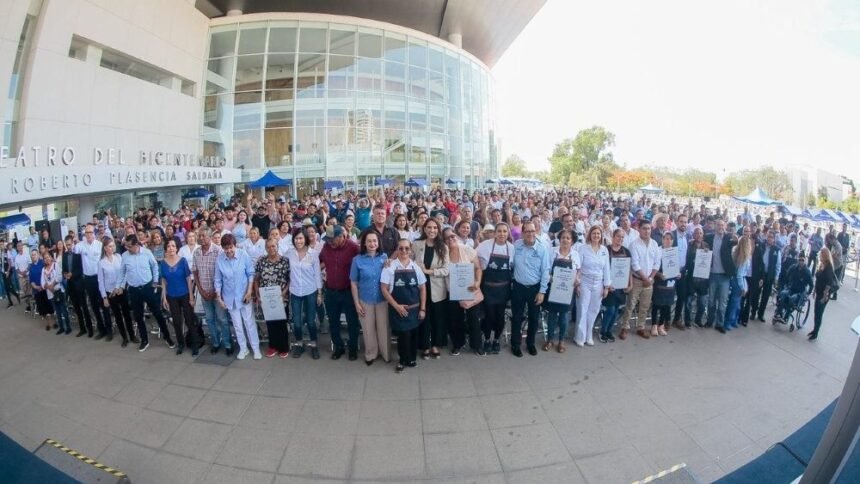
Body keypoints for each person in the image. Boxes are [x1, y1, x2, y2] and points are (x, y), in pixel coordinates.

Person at [118, 234, 174, 352]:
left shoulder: (147, 252)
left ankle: (167, 337)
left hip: (147, 287)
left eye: (130, 246)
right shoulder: (125, 256)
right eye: (126, 246)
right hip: (133, 290)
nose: (127, 248)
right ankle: (144, 340)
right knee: (138, 316)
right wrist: (120, 286)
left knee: (157, 313)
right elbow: (122, 273)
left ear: (136, 244)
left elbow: (154, 266)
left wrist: (155, 280)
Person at [380, 238, 427, 373]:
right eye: (401, 248)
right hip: (398, 309)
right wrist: (396, 306)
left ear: (411, 250)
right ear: (397, 250)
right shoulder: (390, 267)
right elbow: (384, 289)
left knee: (413, 335)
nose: (404, 251)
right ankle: (402, 360)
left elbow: (423, 288)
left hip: (414, 310)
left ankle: (411, 359)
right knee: (403, 336)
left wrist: (423, 308)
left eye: (407, 248)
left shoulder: (415, 267)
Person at [319, 225, 362, 361]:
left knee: (352, 322)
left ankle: (353, 348)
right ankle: (338, 347)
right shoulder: (326, 247)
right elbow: (319, 261)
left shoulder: (353, 247)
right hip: (331, 291)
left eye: (332, 239)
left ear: (341, 236)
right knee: (333, 321)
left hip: (348, 292)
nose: (329, 242)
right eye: (328, 239)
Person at [215, 234, 260, 360]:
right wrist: (219, 298)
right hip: (229, 297)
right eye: (226, 248)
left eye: (230, 247)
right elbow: (218, 280)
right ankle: (243, 349)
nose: (228, 251)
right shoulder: (220, 259)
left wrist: (249, 291)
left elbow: (250, 273)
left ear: (235, 245)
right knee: (237, 325)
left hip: (244, 295)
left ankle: (255, 348)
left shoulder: (243, 255)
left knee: (249, 322)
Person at [510, 221, 551, 357]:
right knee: (517, 317)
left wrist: (542, 291)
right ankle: (515, 344)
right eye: (527, 231)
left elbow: (546, 271)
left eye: (532, 231)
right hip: (518, 287)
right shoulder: (516, 246)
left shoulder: (542, 249)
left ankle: (530, 343)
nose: (530, 234)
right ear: (522, 233)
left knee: (534, 318)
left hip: (535, 289)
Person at [350, 231, 390, 364]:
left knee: (383, 328)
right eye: (369, 241)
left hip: (382, 300)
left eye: (375, 241)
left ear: (378, 243)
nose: (372, 244)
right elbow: (354, 283)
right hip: (365, 300)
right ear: (364, 243)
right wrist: (357, 303)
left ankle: (385, 354)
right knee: (368, 329)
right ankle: (371, 354)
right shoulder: (357, 260)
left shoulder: (384, 258)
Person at [412, 219, 449, 359]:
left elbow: (446, 270)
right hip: (420, 287)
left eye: (435, 228)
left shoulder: (443, 247)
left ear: (438, 230)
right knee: (423, 317)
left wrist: (428, 271)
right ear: (424, 229)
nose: (432, 230)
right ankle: (424, 346)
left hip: (437, 288)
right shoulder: (416, 244)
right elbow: (409, 262)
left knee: (437, 318)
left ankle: (435, 344)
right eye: (429, 227)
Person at [443, 227, 482, 355]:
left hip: (469, 290)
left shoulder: (466, 249)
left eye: (452, 236)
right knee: (455, 319)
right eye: (447, 237)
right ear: (443, 240)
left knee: (473, 318)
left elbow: (478, 268)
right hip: (452, 292)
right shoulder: (442, 253)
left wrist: (477, 282)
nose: (451, 239)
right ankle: (458, 344)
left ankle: (476, 345)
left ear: (457, 236)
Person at [193, 228, 233, 356]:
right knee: (210, 319)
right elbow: (195, 272)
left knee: (222, 319)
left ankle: (227, 343)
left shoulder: (218, 251)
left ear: (210, 236)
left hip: (218, 293)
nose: (201, 238)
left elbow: (223, 272)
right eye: (199, 236)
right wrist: (201, 291)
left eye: (204, 236)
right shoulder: (196, 252)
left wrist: (217, 292)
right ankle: (216, 343)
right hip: (204, 293)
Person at [477, 223, 514, 354]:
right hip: (488, 289)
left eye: (505, 231)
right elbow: (477, 264)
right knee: (488, 316)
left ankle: (496, 340)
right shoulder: (484, 246)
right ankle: (487, 339)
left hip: (503, 290)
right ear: (495, 232)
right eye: (499, 231)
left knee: (500, 317)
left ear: (508, 233)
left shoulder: (511, 248)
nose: (502, 234)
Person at [286, 230, 322, 359]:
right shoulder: (290, 253)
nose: (298, 241)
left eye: (301, 238)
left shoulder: (313, 254)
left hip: (310, 290)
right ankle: (299, 343)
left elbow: (317, 274)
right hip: (295, 291)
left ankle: (313, 344)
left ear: (305, 239)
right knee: (296, 321)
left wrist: (319, 292)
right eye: (296, 239)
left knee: (311, 320)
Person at [543, 229, 581, 352]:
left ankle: (561, 341)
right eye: (563, 237)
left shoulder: (575, 254)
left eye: (568, 238)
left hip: (568, 290)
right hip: (553, 288)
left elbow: (578, 271)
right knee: (552, 316)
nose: (565, 240)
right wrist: (551, 278)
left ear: (572, 241)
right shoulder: (552, 252)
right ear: (559, 239)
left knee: (564, 317)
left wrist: (577, 280)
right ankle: (549, 340)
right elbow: (546, 269)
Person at [622, 219, 660, 340]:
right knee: (631, 304)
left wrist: (650, 278)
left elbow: (657, 263)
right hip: (637, 279)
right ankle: (625, 327)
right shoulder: (634, 244)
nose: (646, 231)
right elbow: (635, 264)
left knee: (645, 305)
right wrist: (645, 278)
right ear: (638, 229)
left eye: (648, 228)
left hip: (650, 280)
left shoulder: (654, 244)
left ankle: (640, 327)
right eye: (644, 228)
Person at [160, 240, 199, 356]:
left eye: (173, 246)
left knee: (189, 320)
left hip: (185, 294)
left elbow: (188, 278)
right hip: (171, 296)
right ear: (166, 248)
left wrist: (191, 296)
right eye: (168, 246)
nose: (171, 248)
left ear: (177, 248)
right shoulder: (162, 263)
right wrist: (164, 297)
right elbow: (163, 281)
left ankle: (194, 345)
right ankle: (181, 344)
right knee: (176, 321)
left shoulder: (182, 261)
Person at [98, 238, 138, 347]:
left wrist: (121, 286)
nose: (112, 248)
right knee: (117, 316)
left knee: (126, 314)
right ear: (105, 248)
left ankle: (132, 335)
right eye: (110, 246)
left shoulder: (119, 257)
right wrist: (104, 297)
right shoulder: (101, 262)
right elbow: (101, 281)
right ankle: (124, 338)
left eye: (113, 245)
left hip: (121, 290)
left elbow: (125, 273)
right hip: (111, 293)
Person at [575, 226, 610, 346]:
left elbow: (607, 269)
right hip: (585, 281)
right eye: (594, 233)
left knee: (594, 310)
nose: (596, 236)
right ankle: (580, 337)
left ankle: (588, 335)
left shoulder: (604, 250)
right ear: (590, 235)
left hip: (598, 283)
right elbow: (578, 268)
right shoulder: (583, 249)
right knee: (583, 308)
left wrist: (606, 286)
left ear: (601, 236)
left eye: (598, 234)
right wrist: (577, 284)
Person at [255, 238, 291, 359]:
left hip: (281, 297)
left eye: (273, 246)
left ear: (278, 246)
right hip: (266, 298)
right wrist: (258, 295)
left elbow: (290, 279)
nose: (271, 249)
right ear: (265, 248)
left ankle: (283, 347)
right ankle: (273, 346)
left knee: (281, 322)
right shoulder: (261, 261)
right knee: (270, 323)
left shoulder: (285, 261)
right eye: (269, 247)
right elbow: (257, 279)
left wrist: (284, 292)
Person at [704, 219, 737, 334]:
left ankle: (720, 324)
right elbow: (701, 244)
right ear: (715, 226)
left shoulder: (728, 238)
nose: (720, 227)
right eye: (718, 225)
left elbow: (735, 243)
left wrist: (736, 239)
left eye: (722, 225)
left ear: (725, 226)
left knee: (722, 302)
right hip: (712, 274)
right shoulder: (709, 237)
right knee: (711, 301)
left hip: (724, 276)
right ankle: (709, 321)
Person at [75, 223, 107, 339]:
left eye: (90, 232)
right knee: (94, 306)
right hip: (88, 279)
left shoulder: (99, 245)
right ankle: (101, 329)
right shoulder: (80, 246)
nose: (88, 234)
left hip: (99, 278)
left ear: (94, 234)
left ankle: (108, 329)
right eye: (86, 232)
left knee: (103, 304)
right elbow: (73, 251)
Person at [601, 229, 632, 342]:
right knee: (610, 310)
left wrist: (630, 284)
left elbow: (628, 269)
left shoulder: (627, 251)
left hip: (621, 287)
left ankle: (609, 330)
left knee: (617, 310)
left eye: (622, 237)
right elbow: (602, 268)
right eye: (618, 236)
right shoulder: (606, 250)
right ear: (613, 236)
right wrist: (607, 285)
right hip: (609, 286)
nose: (620, 239)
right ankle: (603, 331)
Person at [749, 231, 781, 322]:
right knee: (756, 294)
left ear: (774, 239)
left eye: (771, 237)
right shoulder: (761, 246)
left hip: (769, 276)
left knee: (765, 296)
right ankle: (753, 312)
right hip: (759, 274)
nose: (769, 239)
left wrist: (776, 278)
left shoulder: (776, 250)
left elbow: (778, 265)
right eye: (768, 237)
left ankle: (761, 314)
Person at [773, 252, 813, 323]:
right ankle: (779, 313)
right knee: (782, 294)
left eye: (802, 260)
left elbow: (811, 285)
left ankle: (786, 317)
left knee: (792, 298)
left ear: (805, 261)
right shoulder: (793, 267)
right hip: (791, 288)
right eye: (799, 260)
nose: (801, 262)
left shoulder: (807, 272)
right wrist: (785, 285)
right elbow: (786, 276)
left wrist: (808, 294)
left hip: (800, 292)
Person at [809, 247, 837, 341]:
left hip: (823, 296)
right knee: (816, 313)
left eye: (821, 254)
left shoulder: (829, 267)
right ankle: (814, 329)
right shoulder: (822, 265)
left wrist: (824, 297)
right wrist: (814, 291)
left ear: (824, 255)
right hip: (818, 292)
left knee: (819, 313)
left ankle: (816, 332)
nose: (819, 256)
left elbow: (828, 284)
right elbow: (817, 279)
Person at [724, 235, 752, 330]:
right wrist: (743, 287)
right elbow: (740, 274)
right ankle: (729, 321)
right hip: (739, 281)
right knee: (734, 303)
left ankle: (732, 321)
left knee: (735, 303)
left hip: (735, 279)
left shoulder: (735, 253)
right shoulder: (744, 258)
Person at [41, 251, 71, 335]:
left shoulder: (55, 265)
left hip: (58, 291)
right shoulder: (43, 269)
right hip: (50, 294)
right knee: (57, 312)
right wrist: (49, 287)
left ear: (51, 257)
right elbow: (42, 282)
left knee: (63, 310)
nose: (46, 259)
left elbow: (59, 277)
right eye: (45, 258)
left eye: (48, 257)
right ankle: (61, 327)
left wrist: (52, 285)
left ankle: (68, 327)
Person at [14, 242, 31, 312]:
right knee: (24, 292)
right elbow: (16, 268)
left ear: (22, 246)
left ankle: (34, 304)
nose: (20, 247)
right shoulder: (16, 257)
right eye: (18, 246)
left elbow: (30, 264)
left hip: (28, 275)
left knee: (30, 290)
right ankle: (28, 305)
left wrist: (25, 271)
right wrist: (21, 273)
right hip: (21, 277)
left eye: (21, 245)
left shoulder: (27, 255)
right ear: (17, 248)